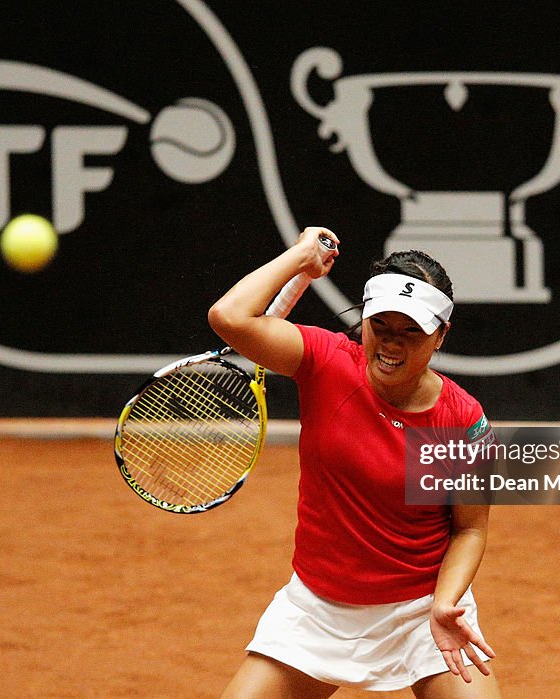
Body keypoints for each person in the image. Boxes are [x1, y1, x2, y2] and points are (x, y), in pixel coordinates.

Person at [209, 226, 501, 698]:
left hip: (422, 611)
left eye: (411, 332)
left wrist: (446, 603)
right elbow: (228, 317)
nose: (391, 344)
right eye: (380, 326)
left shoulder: (463, 420)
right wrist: (300, 257)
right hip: (318, 612)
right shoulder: (324, 362)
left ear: (441, 336)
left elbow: (470, 529)